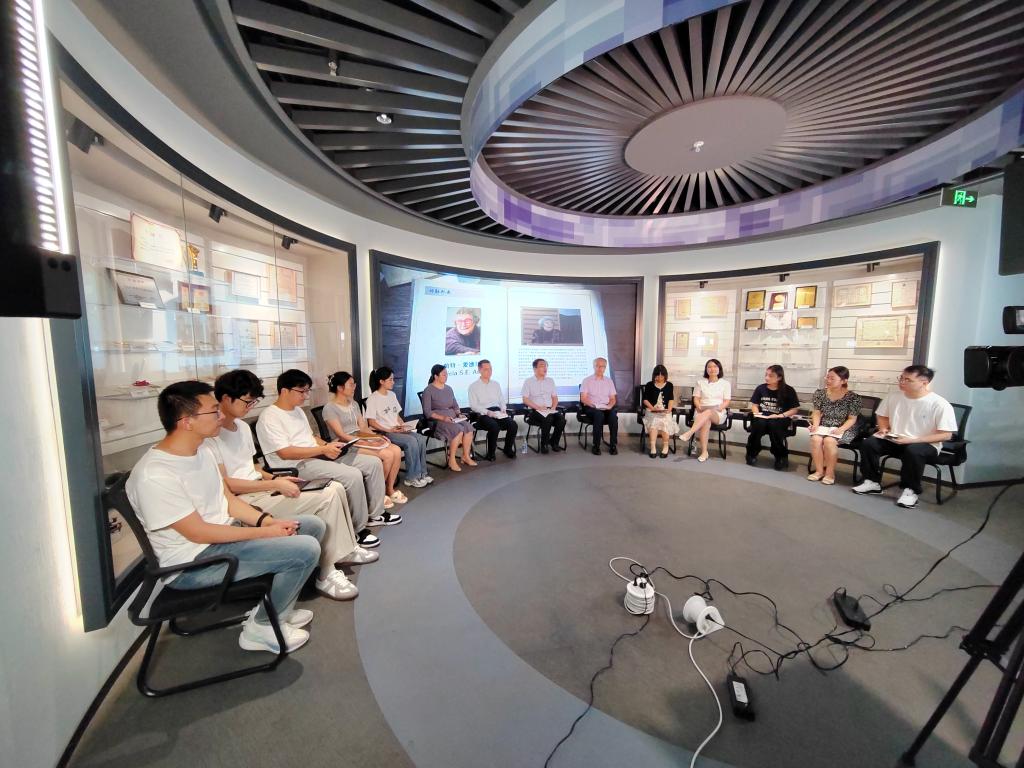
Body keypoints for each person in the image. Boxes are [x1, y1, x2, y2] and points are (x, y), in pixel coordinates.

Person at [126, 381, 325, 653]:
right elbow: (199, 533)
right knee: (305, 549)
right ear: (186, 421)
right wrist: (265, 533)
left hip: (223, 541)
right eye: (214, 411)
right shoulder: (155, 475)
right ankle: (262, 627)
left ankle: (276, 608)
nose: (221, 416)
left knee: (311, 526)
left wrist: (268, 522)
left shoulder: (203, 451)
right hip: (194, 564)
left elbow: (227, 500)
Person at [210, 370, 378, 601]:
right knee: (331, 492)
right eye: (247, 401)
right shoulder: (212, 436)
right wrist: (274, 482)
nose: (250, 407)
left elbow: (253, 468)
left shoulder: (242, 427)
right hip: (251, 494)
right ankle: (327, 571)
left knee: (335, 488)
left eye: (253, 402)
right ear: (225, 398)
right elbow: (227, 485)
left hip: (265, 484)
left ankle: (343, 550)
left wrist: (273, 480)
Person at [256, 369, 400, 549]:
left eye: (307, 391)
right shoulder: (270, 417)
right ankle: (358, 529)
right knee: (352, 476)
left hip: (317, 454)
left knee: (373, 463)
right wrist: (322, 449)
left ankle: (376, 514)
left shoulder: (297, 411)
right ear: (285, 391)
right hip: (298, 464)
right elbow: (285, 453)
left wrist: (328, 446)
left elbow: (310, 437)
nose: (306, 396)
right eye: (302, 391)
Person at [853, 365, 957, 508]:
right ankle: (871, 481)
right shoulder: (893, 396)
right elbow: (882, 415)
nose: (902, 382)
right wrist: (883, 429)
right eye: (901, 378)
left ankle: (910, 490)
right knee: (869, 443)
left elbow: (946, 435)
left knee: (914, 450)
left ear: (924, 383)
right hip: (896, 439)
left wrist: (914, 440)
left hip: (925, 444)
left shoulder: (939, 404)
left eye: (908, 380)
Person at [323, 371, 407, 510]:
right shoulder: (329, 408)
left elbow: (363, 427)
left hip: (360, 437)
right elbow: (341, 434)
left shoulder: (353, 404)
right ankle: (377, 494)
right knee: (387, 455)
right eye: (351, 384)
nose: (354, 387)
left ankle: (389, 489)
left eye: (354, 384)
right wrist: (364, 442)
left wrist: (376, 437)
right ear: (340, 388)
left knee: (396, 450)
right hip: (346, 443)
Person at [364, 365, 432, 489]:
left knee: (420, 439)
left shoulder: (392, 395)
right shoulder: (373, 399)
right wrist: (389, 429)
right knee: (411, 441)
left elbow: (397, 416)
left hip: (396, 429)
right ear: (381, 381)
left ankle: (423, 473)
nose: (393, 382)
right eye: (390, 379)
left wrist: (403, 425)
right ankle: (412, 478)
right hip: (384, 432)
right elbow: (371, 423)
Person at [808, 366, 863, 485]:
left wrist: (841, 429)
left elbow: (852, 419)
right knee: (815, 439)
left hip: (845, 426)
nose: (828, 380)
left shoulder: (854, 398)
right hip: (825, 425)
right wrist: (815, 425)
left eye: (832, 378)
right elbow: (816, 412)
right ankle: (819, 471)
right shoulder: (820, 393)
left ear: (844, 381)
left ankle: (830, 473)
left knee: (829, 441)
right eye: (827, 377)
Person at [421, 364, 477, 472]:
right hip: (437, 421)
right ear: (436, 376)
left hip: (452, 418)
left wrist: (459, 414)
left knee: (469, 428)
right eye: (443, 374)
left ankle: (466, 456)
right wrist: (443, 418)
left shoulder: (449, 388)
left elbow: (455, 405)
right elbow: (427, 412)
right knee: (458, 430)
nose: (446, 376)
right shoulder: (428, 390)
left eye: (447, 374)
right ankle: (451, 460)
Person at [745, 364, 801, 470]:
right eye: (766, 375)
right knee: (759, 424)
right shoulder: (760, 388)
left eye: (770, 376)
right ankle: (752, 453)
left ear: (779, 377)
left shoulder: (788, 390)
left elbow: (794, 409)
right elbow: (755, 405)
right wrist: (757, 414)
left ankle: (780, 456)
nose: (767, 378)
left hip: (780, 418)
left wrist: (780, 415)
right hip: (762, 417)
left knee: (774, 425)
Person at [680, 359, 731, 462]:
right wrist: (698, 407)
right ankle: (704, 452)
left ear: (719, 369)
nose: (712, 369)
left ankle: (690, 433)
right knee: (706, 419)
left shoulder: (726, 384)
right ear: (706, 369)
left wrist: (719, 408)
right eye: (709, 367)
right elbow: (696, 399)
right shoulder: (700, 383)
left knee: (709, 412)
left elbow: (727, 401)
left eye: (715, 366)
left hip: (718, 413)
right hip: (701, 411)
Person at [468, 359, 518, 460]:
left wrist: (503, 408)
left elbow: (501, 399)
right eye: (486, 369)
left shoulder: (496, 384)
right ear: (479, 370)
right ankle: (491, 453)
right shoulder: (473, 386)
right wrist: (487, 412)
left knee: (513, 424)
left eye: (490, 369)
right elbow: (473, 406)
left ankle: (507, 449)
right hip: (482, 414)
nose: (489, 371)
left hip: (497, 412)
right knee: (494, 426)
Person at [522, 358, 565, 454]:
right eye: (542, 366)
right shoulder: (528, 381)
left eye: (546, 366)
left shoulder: (550, 381)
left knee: (561, 419)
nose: (545, 368)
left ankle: (554, 442)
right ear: (535, 369)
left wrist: (553, 407)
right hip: (535, 411)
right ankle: (544, 444)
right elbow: (525, 399)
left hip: (549, 410)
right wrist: (538, 407)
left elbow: (555, 397)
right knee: (548, 418)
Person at [580, 357, 618, 455]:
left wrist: (610, 406)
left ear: (605, 368)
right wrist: (593, 405)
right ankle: (596, 445)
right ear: (594, 367)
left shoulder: (609, 381)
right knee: (599, 415)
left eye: (602, 366)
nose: (600, 368)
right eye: (597, 366)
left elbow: (613, 398)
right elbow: (583, 398)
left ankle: (613, 445)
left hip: (605, 407)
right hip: (591, 407)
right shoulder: (587, 380)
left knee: (613, 416)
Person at [642, 365, 678, 458]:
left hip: (664, 411)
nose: (659, 378)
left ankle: (665, 446)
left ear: (665, 376)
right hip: (652, 410)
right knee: (654, 421)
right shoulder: (649, 385)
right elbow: (645, 400)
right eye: (657, 376)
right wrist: (653, 408)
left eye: (662, 376)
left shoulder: (669, 385)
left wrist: (669, 409)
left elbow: (671, 399)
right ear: (654, 375)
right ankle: (653, 447)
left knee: (665, 421)